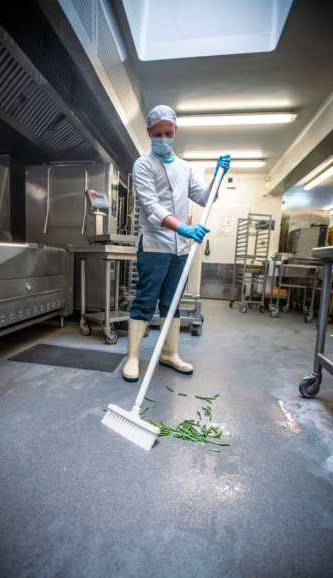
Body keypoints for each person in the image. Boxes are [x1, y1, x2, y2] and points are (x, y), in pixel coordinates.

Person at [123, 104, 230, 382]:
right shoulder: (143, 164)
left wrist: (218, 179)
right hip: (155, 246)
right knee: (146, 300)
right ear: (148, 132)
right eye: (157, 133)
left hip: (180, 250)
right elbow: (150, 206)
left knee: (172, 303)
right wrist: (183, 226)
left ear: (175, 131)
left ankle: (169, 354)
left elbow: (205, 198)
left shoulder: (185, 168)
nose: (162, 138)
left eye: (168, 132)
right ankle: (133, 358)